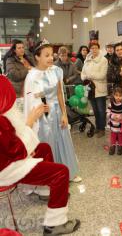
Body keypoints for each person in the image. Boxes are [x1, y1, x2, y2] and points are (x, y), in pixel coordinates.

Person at [0, 75, 80, 235]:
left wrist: (28, 143)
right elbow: (16, 151)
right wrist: (30, 121)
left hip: (8, 159)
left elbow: (13, 145)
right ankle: (55, 224)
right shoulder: (2, 120)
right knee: (61, 172)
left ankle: (46, 192)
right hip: (7, 169)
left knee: (43, 148)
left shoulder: (5, 116)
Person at [24, 41, 81, 183]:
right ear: (37, 57)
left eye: (52, 55)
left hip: (57, 112)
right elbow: (31, 99)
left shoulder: (56, 70)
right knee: (48, 144)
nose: (51, 58)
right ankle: (50, 177)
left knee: (63, 140)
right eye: (46, 55)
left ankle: (69, 171)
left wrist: (64, 113)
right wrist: (40, 108)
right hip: (42, 118)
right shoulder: (32, 76)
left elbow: (60, 93)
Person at [81, 42, 108, 138]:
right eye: (92, 48)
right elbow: (83, 74)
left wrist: (89, 76)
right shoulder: (87, 60)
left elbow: (102, 75)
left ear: (99, 48)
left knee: (101, 110)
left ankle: (102, 129)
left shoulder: (103, 60)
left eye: (96, 48)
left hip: (100, 89)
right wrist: (85, 77)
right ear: (90, 49)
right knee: (95, 110)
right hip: (90, 89)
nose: (94, 50)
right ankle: (97, 127)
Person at [107, 87, 122, 155]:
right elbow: (107, 112)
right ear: (113, 95)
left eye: (120, 96)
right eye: (116, 95)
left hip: (120, 124)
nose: (118, 97)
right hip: (113, 123)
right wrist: (112, 116)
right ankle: (113, 146)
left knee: (120, 135)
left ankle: (120, 147)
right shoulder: (111, 104)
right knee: (113, 135)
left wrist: (121, 118)